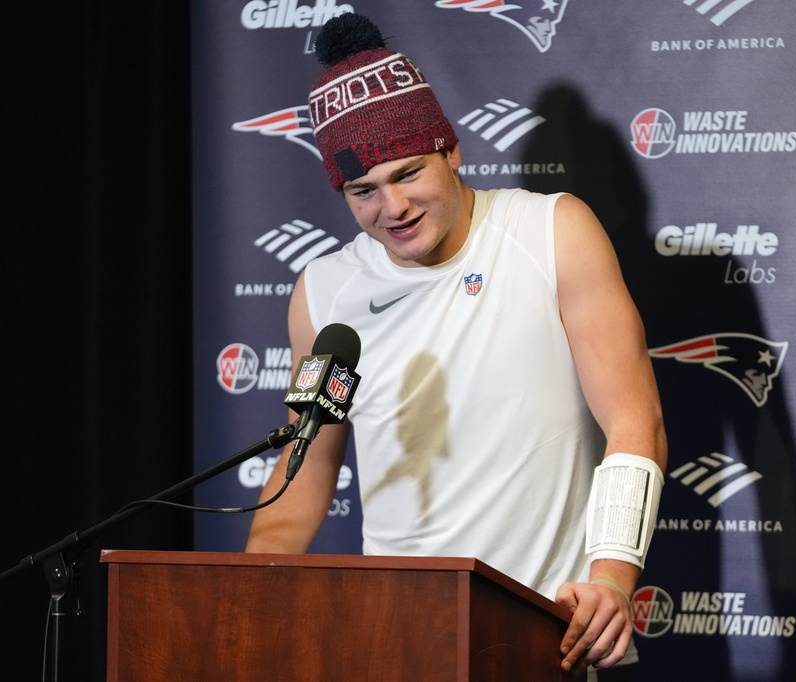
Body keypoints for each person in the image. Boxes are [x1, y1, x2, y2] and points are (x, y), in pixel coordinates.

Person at [244, 13, 668, 678]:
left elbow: (633, 420)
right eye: (364, 190)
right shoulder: (324, 293)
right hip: (391, 638)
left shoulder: (552, 232)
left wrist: (612, 578)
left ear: (451, 150)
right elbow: (307, 467)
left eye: (408, 172)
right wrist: (246, 599)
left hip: (539, 633)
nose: (394, 207)